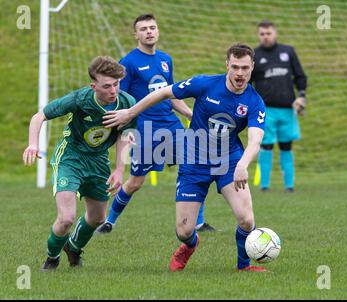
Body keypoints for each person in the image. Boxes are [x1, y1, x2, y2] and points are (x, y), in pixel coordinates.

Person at [102, 43, 268, 272]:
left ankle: (243, 266)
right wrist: (130, 113)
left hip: (229, 161)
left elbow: (255, 140)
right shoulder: (205, 84)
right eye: (236, 67)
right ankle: (190, 245)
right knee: (184, 231)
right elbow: (163, 92)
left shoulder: (254, 101)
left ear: (252, 68)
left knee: (247, 220)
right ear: (227, 65)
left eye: (245, 68)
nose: (240, 73)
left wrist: (242, 164)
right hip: (194, 160)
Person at [96, 13, 215, 234]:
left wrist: (191, 115)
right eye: (143, 29)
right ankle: (109, 221)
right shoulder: (129, 63)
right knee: (135, 182)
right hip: (145, 130)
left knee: (194, 168)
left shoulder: (165, 60)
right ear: (136, 35)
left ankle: (198, 222)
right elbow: (120, 97)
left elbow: (171, 95)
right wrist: (122, 126)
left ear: (158, 31)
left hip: (172, 125)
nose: (149, 32)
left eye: (152, 27)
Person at [23, 56, 136, 271]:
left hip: (99, 161)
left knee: (98, 218)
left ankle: (73, 248)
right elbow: (39, 117)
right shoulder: (78, 100)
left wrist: (120, 169)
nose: (113, 90)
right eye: (106, 86)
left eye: (116, 84)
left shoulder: (127, 103)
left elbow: (125, 135)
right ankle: (52, 259)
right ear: (93, 86)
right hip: (71, 157)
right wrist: (32, 144)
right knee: (66, 218)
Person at [251, 20, 307, 192]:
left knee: (286, 146)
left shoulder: (288, 51)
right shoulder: (254, 54)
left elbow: (300, 77)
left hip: (288, 110)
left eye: (268, 33)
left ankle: (289, 186)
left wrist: (302, 97)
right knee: (266, 146)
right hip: (266, 110)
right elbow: (247, 81)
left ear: (275, 33)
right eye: (262, 34)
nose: (265, 37)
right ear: (258, 35)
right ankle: (264, 186)